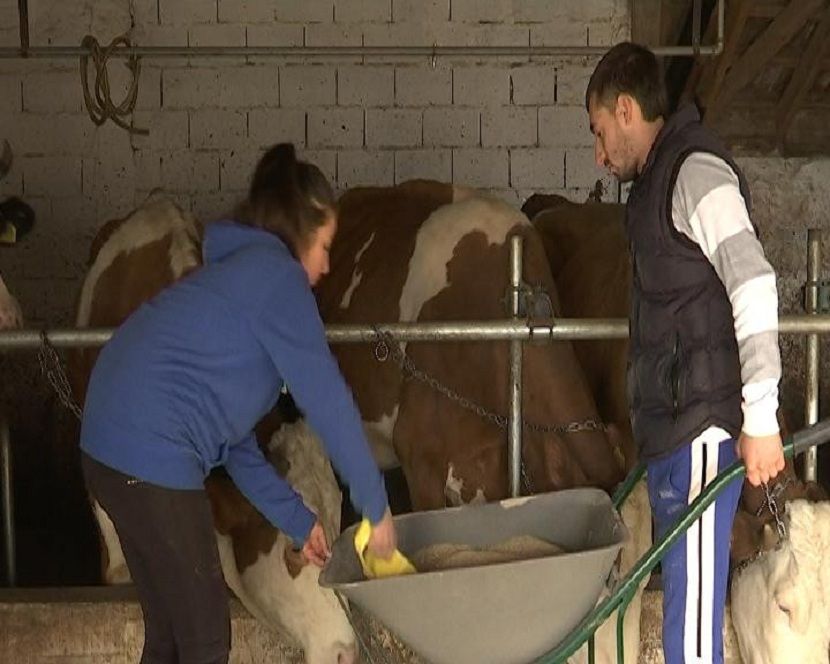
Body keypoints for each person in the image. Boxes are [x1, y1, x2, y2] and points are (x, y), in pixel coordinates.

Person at [80, 143, 397, 664]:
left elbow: (234, 446)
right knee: (206, 640)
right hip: (150, 454)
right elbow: (328, 400)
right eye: (324, 246)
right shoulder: (277, 278)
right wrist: (376, 507)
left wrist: (299, 523)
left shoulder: (238, 279)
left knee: (170, 637)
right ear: (299, 232)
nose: (326, 264)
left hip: (108, 451)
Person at [585, 43, 785, 664]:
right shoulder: (655, 184)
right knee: (683, 614)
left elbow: (754, 282)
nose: (598, 155)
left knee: (693, 628)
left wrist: (761, 417)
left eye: (598, 131)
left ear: (625, 110)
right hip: (673, 435)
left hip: (702, 432)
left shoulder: (695, 172)